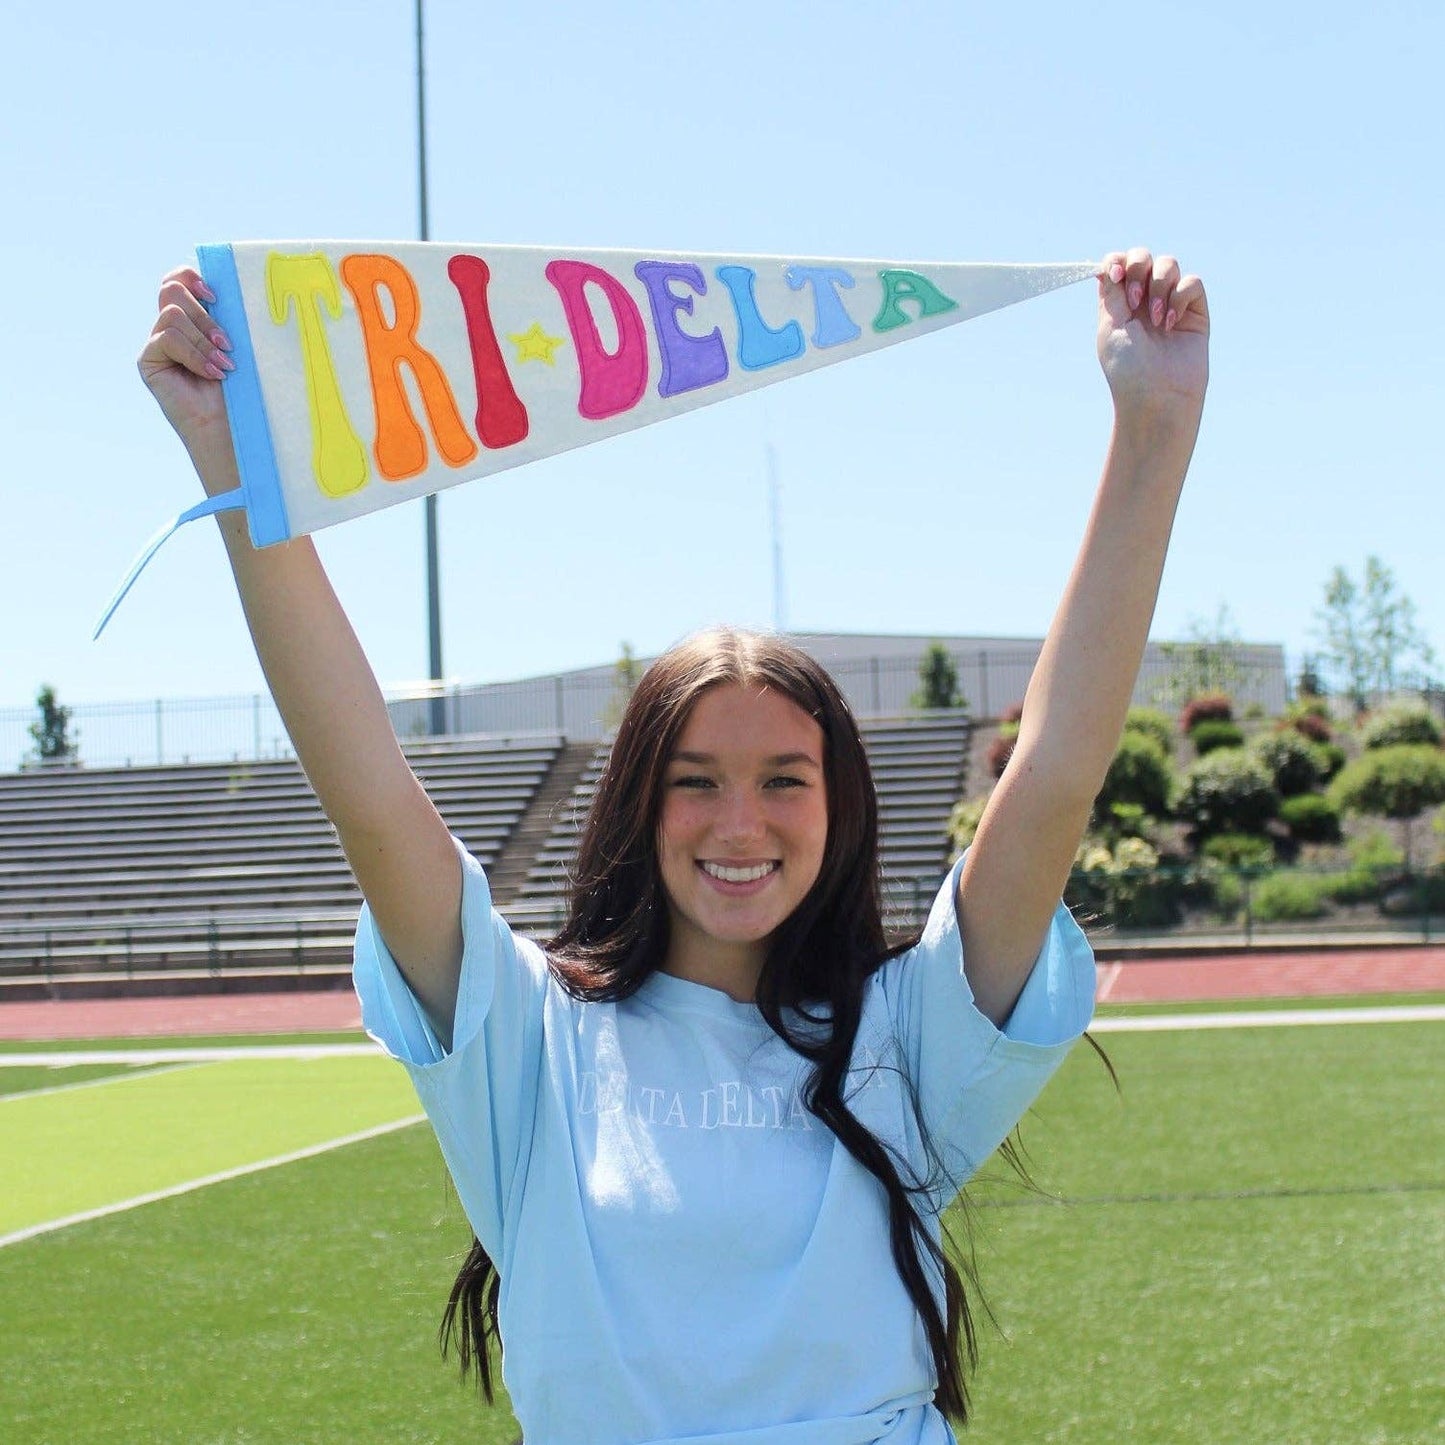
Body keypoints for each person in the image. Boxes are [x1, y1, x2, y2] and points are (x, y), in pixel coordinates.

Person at [139, 246, 1208, 1443]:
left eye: (781, 780)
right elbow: (370, 791)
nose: (738, 823)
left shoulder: (908, 1031)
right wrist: (233, 466)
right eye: (693, 781)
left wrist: (1153, 422)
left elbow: (1055, 767)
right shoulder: (527, 1038)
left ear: (837, 806)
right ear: (637, 802)